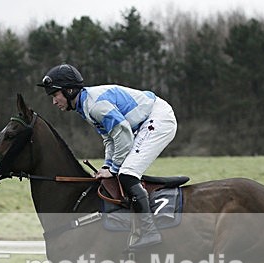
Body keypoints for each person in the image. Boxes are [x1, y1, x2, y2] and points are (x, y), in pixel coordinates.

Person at [37, 64, 177, 249]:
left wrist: (114, 168)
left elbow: (123, 135)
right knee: (120, 172)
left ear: (69, 91)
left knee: (127, 173)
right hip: (145, 120)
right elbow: (109, 139)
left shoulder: (95, 105)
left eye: (55, 95)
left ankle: (149, 231)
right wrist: (107, 166)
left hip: (158, 119)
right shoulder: (85, 105)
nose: (54, 102)